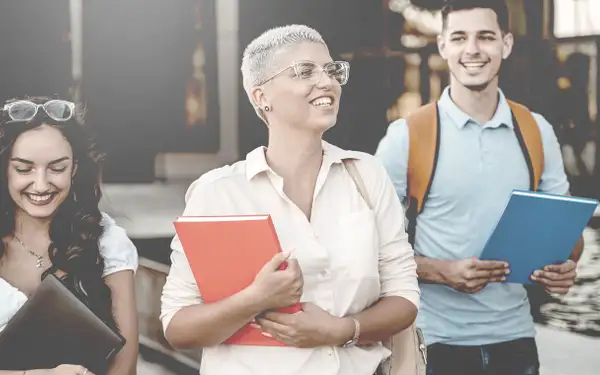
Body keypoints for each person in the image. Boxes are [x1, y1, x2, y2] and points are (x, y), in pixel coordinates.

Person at [160, 24, 420, 375]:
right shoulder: (218, 192)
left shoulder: (366, 175)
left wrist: (342, 330)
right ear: (261, 96)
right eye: (304, 72)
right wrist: (257, 299)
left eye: (332, 70)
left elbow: (404, 297)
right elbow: (177, 326)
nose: (327, 81)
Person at [375, 1, 581, 374]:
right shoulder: (406, 137)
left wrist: (565, 264)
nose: (472, 49)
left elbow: (566, 231)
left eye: (485, 37)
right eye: (459, 37)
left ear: (506, 44)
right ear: (443, 46)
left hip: (516, 340)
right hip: (431, 341)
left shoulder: (536, 130)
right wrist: (440, 271)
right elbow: (368, 248)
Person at [0, 97, 139, 375]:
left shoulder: (107, 241)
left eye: (57, 168)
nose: (40, 184)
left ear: (74, 169)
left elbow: (125, 365)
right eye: (24, 169)